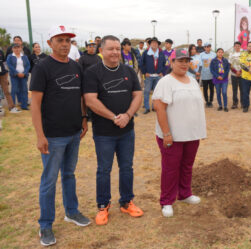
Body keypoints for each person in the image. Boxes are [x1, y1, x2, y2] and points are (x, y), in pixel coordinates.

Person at [30, 25, 90, 246]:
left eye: (68, 40)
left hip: (74, 132)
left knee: (69, 175)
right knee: (49, 181)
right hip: (52, 136)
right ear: (50, 43)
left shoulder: (75, 66)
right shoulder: (43, 67)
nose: (65, 44)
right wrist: (40, 135)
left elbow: (81, 96)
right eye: (60, 40)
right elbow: (34, 104)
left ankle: (71, 212)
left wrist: (84, 119)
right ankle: (45, 225)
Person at [83, 35, 144, 226]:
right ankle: (103, 206)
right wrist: (114, 117)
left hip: (127, 130)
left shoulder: (128, 71)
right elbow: (90, 100)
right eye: (111, 49)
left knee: (127, 167)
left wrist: (127, 115)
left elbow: (138, 95)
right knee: (104, 170)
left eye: (118, 48)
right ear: (102, 51)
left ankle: (126, 202)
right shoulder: (93, 72)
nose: (116, 52)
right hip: (104, 133)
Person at [152, 49, 207, 217]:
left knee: (187, 166)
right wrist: (166, 133)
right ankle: (167, 201)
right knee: (170, 169)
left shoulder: (192, 80)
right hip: (172, 135)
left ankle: (185, 193)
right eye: (180, 60)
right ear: (172, 62)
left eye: (186, 60)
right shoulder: (165, 82)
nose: (184, 64)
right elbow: (159, 108)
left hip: (191, 134)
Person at [141, 37, 166, 114]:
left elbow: (164, 63)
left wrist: (162, 72)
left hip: (158, 76)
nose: (154, 44)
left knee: (156, 93)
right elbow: (141, 63)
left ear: (158, 44)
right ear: (150, 44)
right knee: (147, 91)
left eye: (156, 43)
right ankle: (147, 107)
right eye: (152, 43)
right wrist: (145, 73)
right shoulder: (146, 52)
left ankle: (154, 107)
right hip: (149, 76)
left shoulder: (161, 53)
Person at [6, 43, 31, 111]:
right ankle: (12, 106)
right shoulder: (10, 56)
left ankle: (24, 105)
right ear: (12, 49)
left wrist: (24, 73)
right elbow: (9, 65)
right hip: (14, 76)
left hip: (24, 76)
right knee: (14, 90)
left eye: (18, 47)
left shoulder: (24, 56)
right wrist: (17, 73)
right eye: (15, 48)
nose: (17, 49)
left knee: (24, 90)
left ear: (21, 48)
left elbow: (28, 65)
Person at [199, 43, 216, 107]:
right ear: (204, 48)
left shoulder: (214, 54)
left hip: (212, 74)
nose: (207, 48)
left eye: (208, 46)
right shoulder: (201, 55)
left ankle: (211, 101)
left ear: (210, 47)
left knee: (211, 89)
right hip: (204, 74)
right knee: (205, 89)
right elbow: (200, 64)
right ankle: (206, 101)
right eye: (206, 47)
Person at [0, 48, 17, 113]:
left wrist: (6, 73)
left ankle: (11, 107)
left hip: (3, 75)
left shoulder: (1, 51)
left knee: (7, 91)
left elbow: (4, 63)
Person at [228, 41, 243, 109]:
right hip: (234, 75)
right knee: (234, 90)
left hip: (242, 75)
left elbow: (245, 64)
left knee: (242, 90)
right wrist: (235, 72)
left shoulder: (243, 54)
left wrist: (240, 71)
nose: (237, 47)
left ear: (240, 47)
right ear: (234, 47)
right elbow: (230, 65)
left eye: (238, 46)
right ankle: (235, 103)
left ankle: (243, 103)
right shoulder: (231, 54)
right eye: (236, 46)